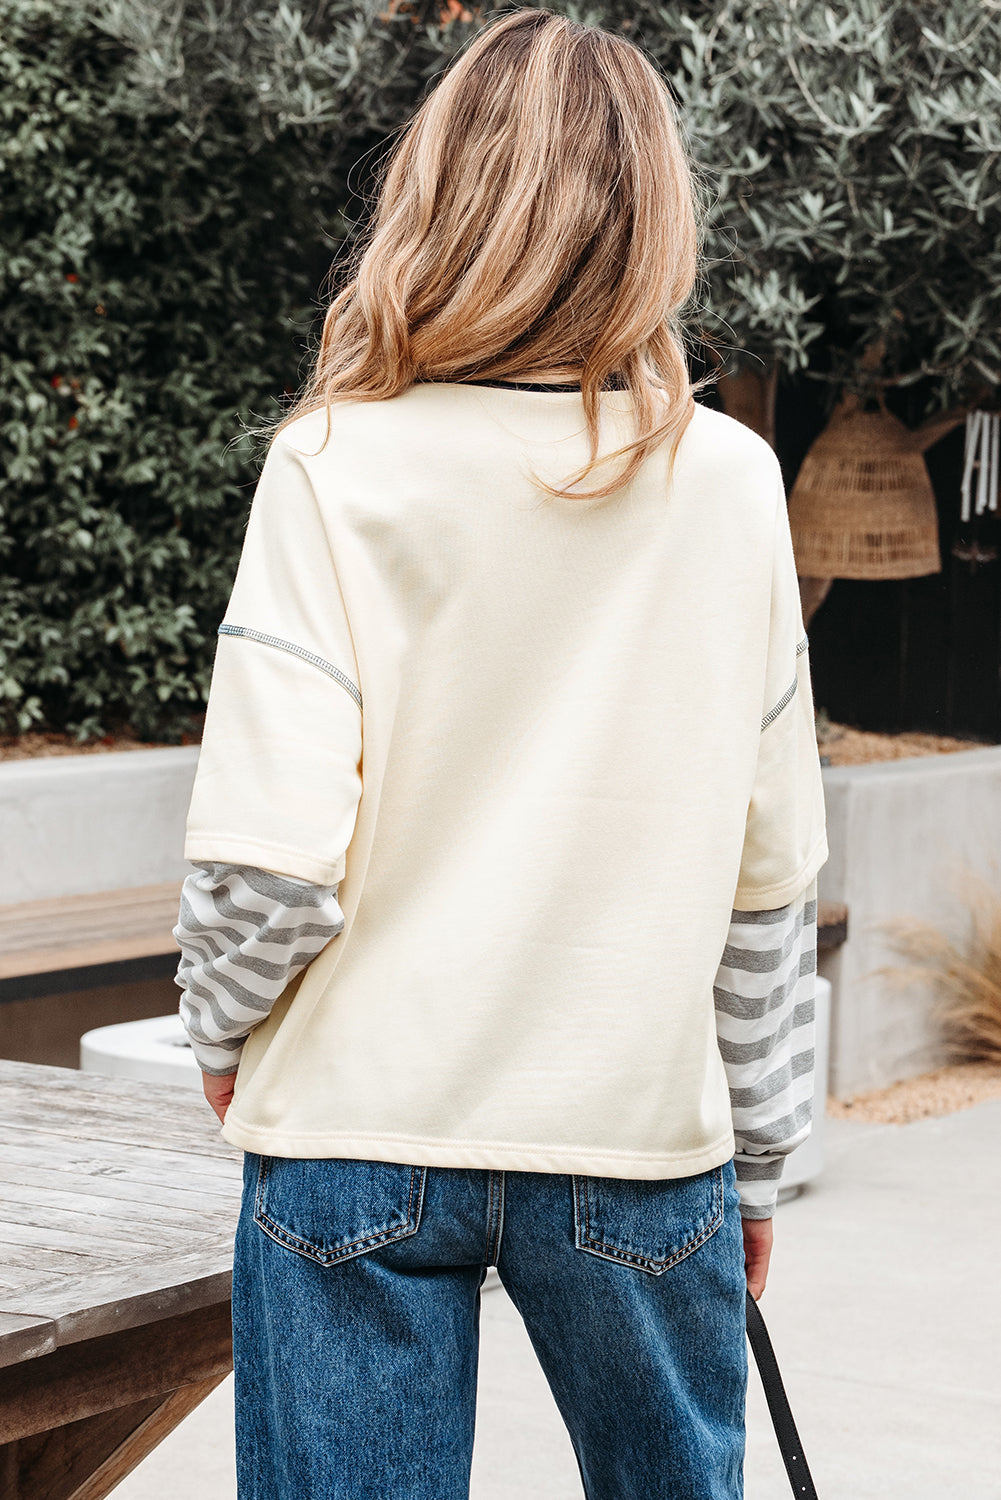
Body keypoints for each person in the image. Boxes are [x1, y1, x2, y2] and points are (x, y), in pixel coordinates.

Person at [173, 9, 828, 1498]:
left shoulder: (332, 462)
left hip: (356, 1124)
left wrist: (221, 1036)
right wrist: (760, 1155)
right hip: (633, 1134)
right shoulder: (729, 482)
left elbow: (264, 867)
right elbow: (767, 884)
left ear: (436, 196)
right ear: (656, 217)